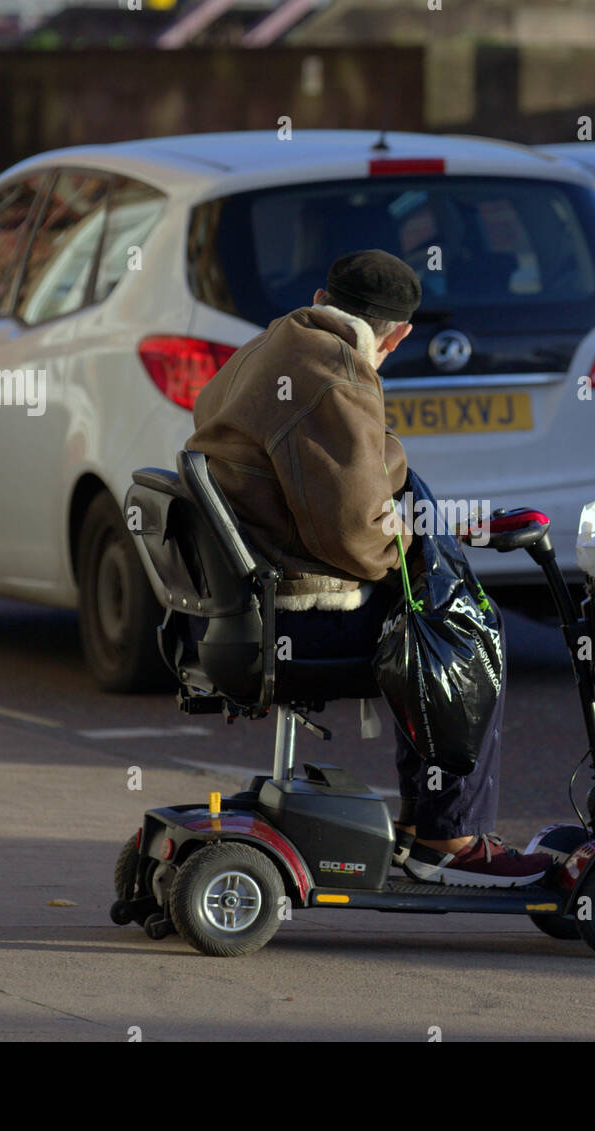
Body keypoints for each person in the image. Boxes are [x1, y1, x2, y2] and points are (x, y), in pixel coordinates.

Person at [187, 249, 552, 887]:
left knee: (435, 615)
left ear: (321, 293)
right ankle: (447, 836)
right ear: (402, 334)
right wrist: (412, 556)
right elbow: (359, 536)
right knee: (462, 634)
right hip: (295, 610)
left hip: (245, 596)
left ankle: (419, 826)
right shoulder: (335, 374)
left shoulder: (274, 343)